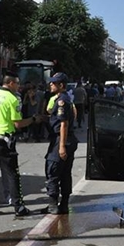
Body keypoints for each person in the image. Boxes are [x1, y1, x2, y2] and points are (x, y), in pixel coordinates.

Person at [0, 73, 43, 217]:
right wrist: (33, 119)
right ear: (11, 83)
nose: (19, 87)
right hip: (3, 140)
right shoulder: (13, 99)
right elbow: (17, 123)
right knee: (12, 173)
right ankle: (18, 206)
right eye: (18, 84)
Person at [44, 73, 78, 214]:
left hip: (61, 139)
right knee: (65, 173)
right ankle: (63, 204)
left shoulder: (61, 101)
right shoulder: (64, 99)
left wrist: (61, 146)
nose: (51, 85)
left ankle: (53, 205)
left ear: (61, 85)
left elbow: (64, 124)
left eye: (54, 83)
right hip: (67, 139)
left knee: (53, 171)